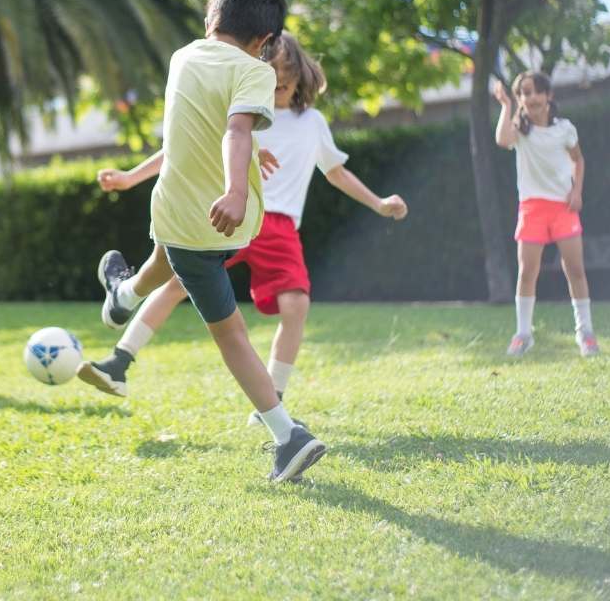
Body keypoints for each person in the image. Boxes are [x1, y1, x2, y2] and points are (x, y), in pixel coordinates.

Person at [80, 32, 408, 427]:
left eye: (286, 70)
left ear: (301, 73)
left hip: (280, 227)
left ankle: (273, 399)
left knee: (296, 306)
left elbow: (336, 173)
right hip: (232, 218)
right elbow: (180, 149)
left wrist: (378, 203)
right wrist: (132, 178)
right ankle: (118, 362)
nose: (279, 76)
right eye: (271, 68)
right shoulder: (243, 111)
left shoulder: (312, 122)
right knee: (176, 283)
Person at [83, 0, 327, 482]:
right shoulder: (254, 71)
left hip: (175, 212)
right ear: (265, 42)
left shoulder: (182, 59)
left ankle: (122, 295)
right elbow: (234, 130)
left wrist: (136, 177)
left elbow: (197, 133)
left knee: (166, 263)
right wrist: (237, 189)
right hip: (222, 223)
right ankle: (288, 436)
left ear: (211, 18)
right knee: (225, 326)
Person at [494, 71, 599, 358]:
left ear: (548, 96)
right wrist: (506, 106)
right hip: (532, 209)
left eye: (536, 91)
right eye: (524, 93)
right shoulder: (519, 132)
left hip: (563, 209)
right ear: (521, 100)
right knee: (527, 272)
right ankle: (523, 334)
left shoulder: (565, 129)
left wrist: (577, 191)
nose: (531, 97)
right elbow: (502, 140)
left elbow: (578, 160)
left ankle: (585, 333)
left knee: (575, 270)